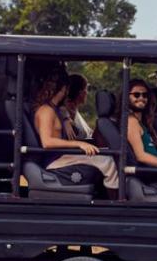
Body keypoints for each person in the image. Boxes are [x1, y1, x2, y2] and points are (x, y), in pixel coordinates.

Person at [32, 68, 120, 198]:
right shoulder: (46, 111)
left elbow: (63, 112)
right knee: (108, 162)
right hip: (54, 160)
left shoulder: (55, 109)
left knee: (107, 157)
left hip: (62, 156)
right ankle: (116, 203)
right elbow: (47, 142)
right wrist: (79, 144)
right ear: (63, 89)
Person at [61, 74, 92, 140]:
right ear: (80, 92)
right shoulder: (66, 112)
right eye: (86, 88)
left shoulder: (74, 110)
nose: (87, 93)